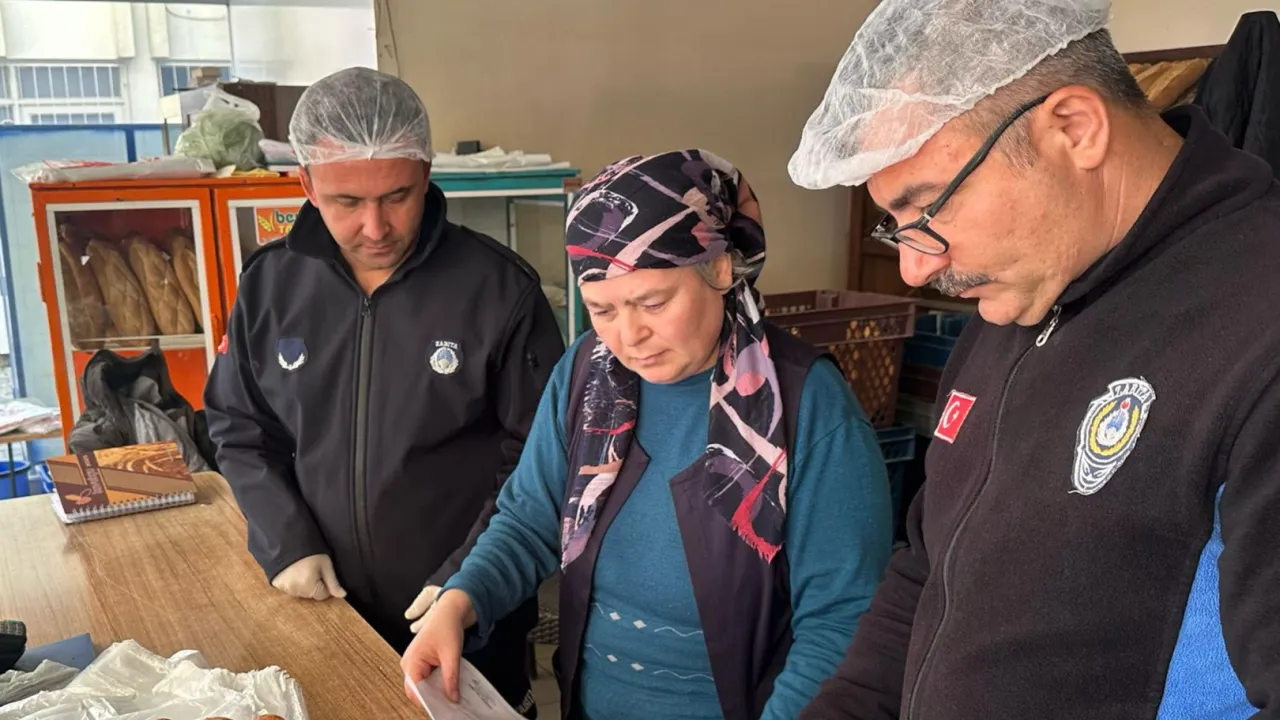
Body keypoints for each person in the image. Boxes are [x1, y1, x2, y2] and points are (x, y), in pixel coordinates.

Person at [787, 0, 1280, 718]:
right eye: (898, 228)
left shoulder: (1258, 326)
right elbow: (928, 569)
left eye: (931, 208)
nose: (916, 269)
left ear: (1074, 128)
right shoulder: (1024, 290)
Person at [401, 149, 893, 720]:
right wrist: (461, 600)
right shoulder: (586, 376)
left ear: (720, 269)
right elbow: (529, 519)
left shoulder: (807, 405)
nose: (628, 337)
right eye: (602, 310)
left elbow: (841, 621)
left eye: (652, 302)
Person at [204, 67, 564, 717]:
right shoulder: (270, 285)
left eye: (397, 196)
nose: (375, 228)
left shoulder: (498, 290)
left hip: (466, 619)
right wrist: (285, 540)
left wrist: (470, 576)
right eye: (346, 202)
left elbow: (540, 458)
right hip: (324, 608)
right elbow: (240, 426)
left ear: (425, 174)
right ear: (306, 184)